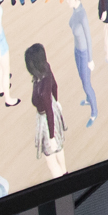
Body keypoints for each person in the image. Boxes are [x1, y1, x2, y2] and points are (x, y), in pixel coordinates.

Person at [23, 43, 66, 178]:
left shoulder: (42, 90)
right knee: (59, 149)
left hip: (47, 122)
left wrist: (51, 137)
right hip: (53, 111)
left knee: (51, 161)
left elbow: (48, 112)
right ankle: (65, 173)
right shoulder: (46, 68)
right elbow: (55, 86)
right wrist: (56, 102)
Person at [66, 0, 99, 128]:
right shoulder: (75, 11)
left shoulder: (82, 15)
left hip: (84, 54)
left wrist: (90, 60)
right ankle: (87, 98)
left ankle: (94, 111)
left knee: (87, 84)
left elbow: (89, 38)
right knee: (82, 78)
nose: (67, 1)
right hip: (77, 51)